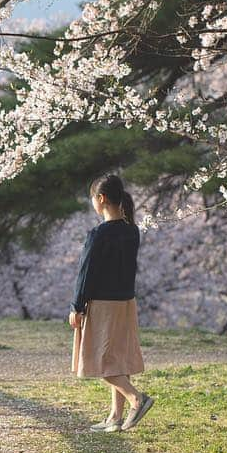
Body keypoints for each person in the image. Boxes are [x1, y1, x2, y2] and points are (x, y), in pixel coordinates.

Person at [68, 173, 154, 433]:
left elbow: (86, 273)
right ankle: (115, 417)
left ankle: (136, 399)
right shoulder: (132, 231)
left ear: (101, 199)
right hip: (126, 304)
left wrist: (77, 306)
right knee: (117, 358)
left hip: (103, 305)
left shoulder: (98, 235)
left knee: (101, 362)